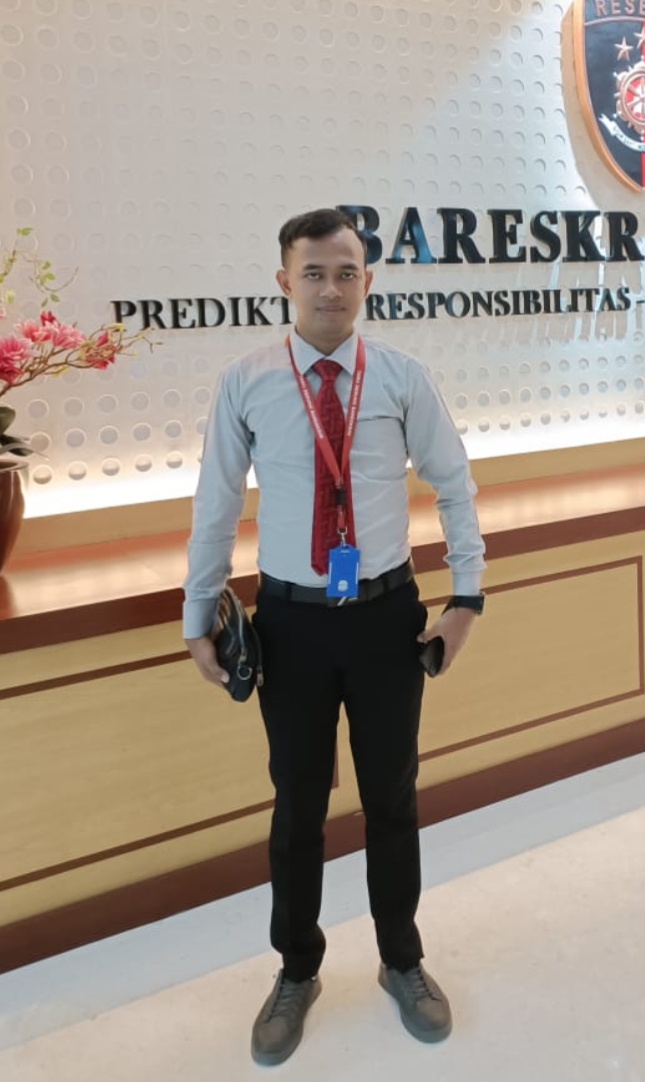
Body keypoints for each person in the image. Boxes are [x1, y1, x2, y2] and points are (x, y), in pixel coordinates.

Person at [182, 207, 486, 1066]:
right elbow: (215, 503)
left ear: (367, 282)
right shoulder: (246, 382)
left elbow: (455, 484)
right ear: (284, 282)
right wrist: (198, 613)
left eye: (346, 272)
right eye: (313, 273)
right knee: (298, 805)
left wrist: (467, 597)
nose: (330, 288)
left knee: (392, 797)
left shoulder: (400, 377)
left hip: (387, 618)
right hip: (291, 625)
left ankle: (402, 960)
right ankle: (296, 971)